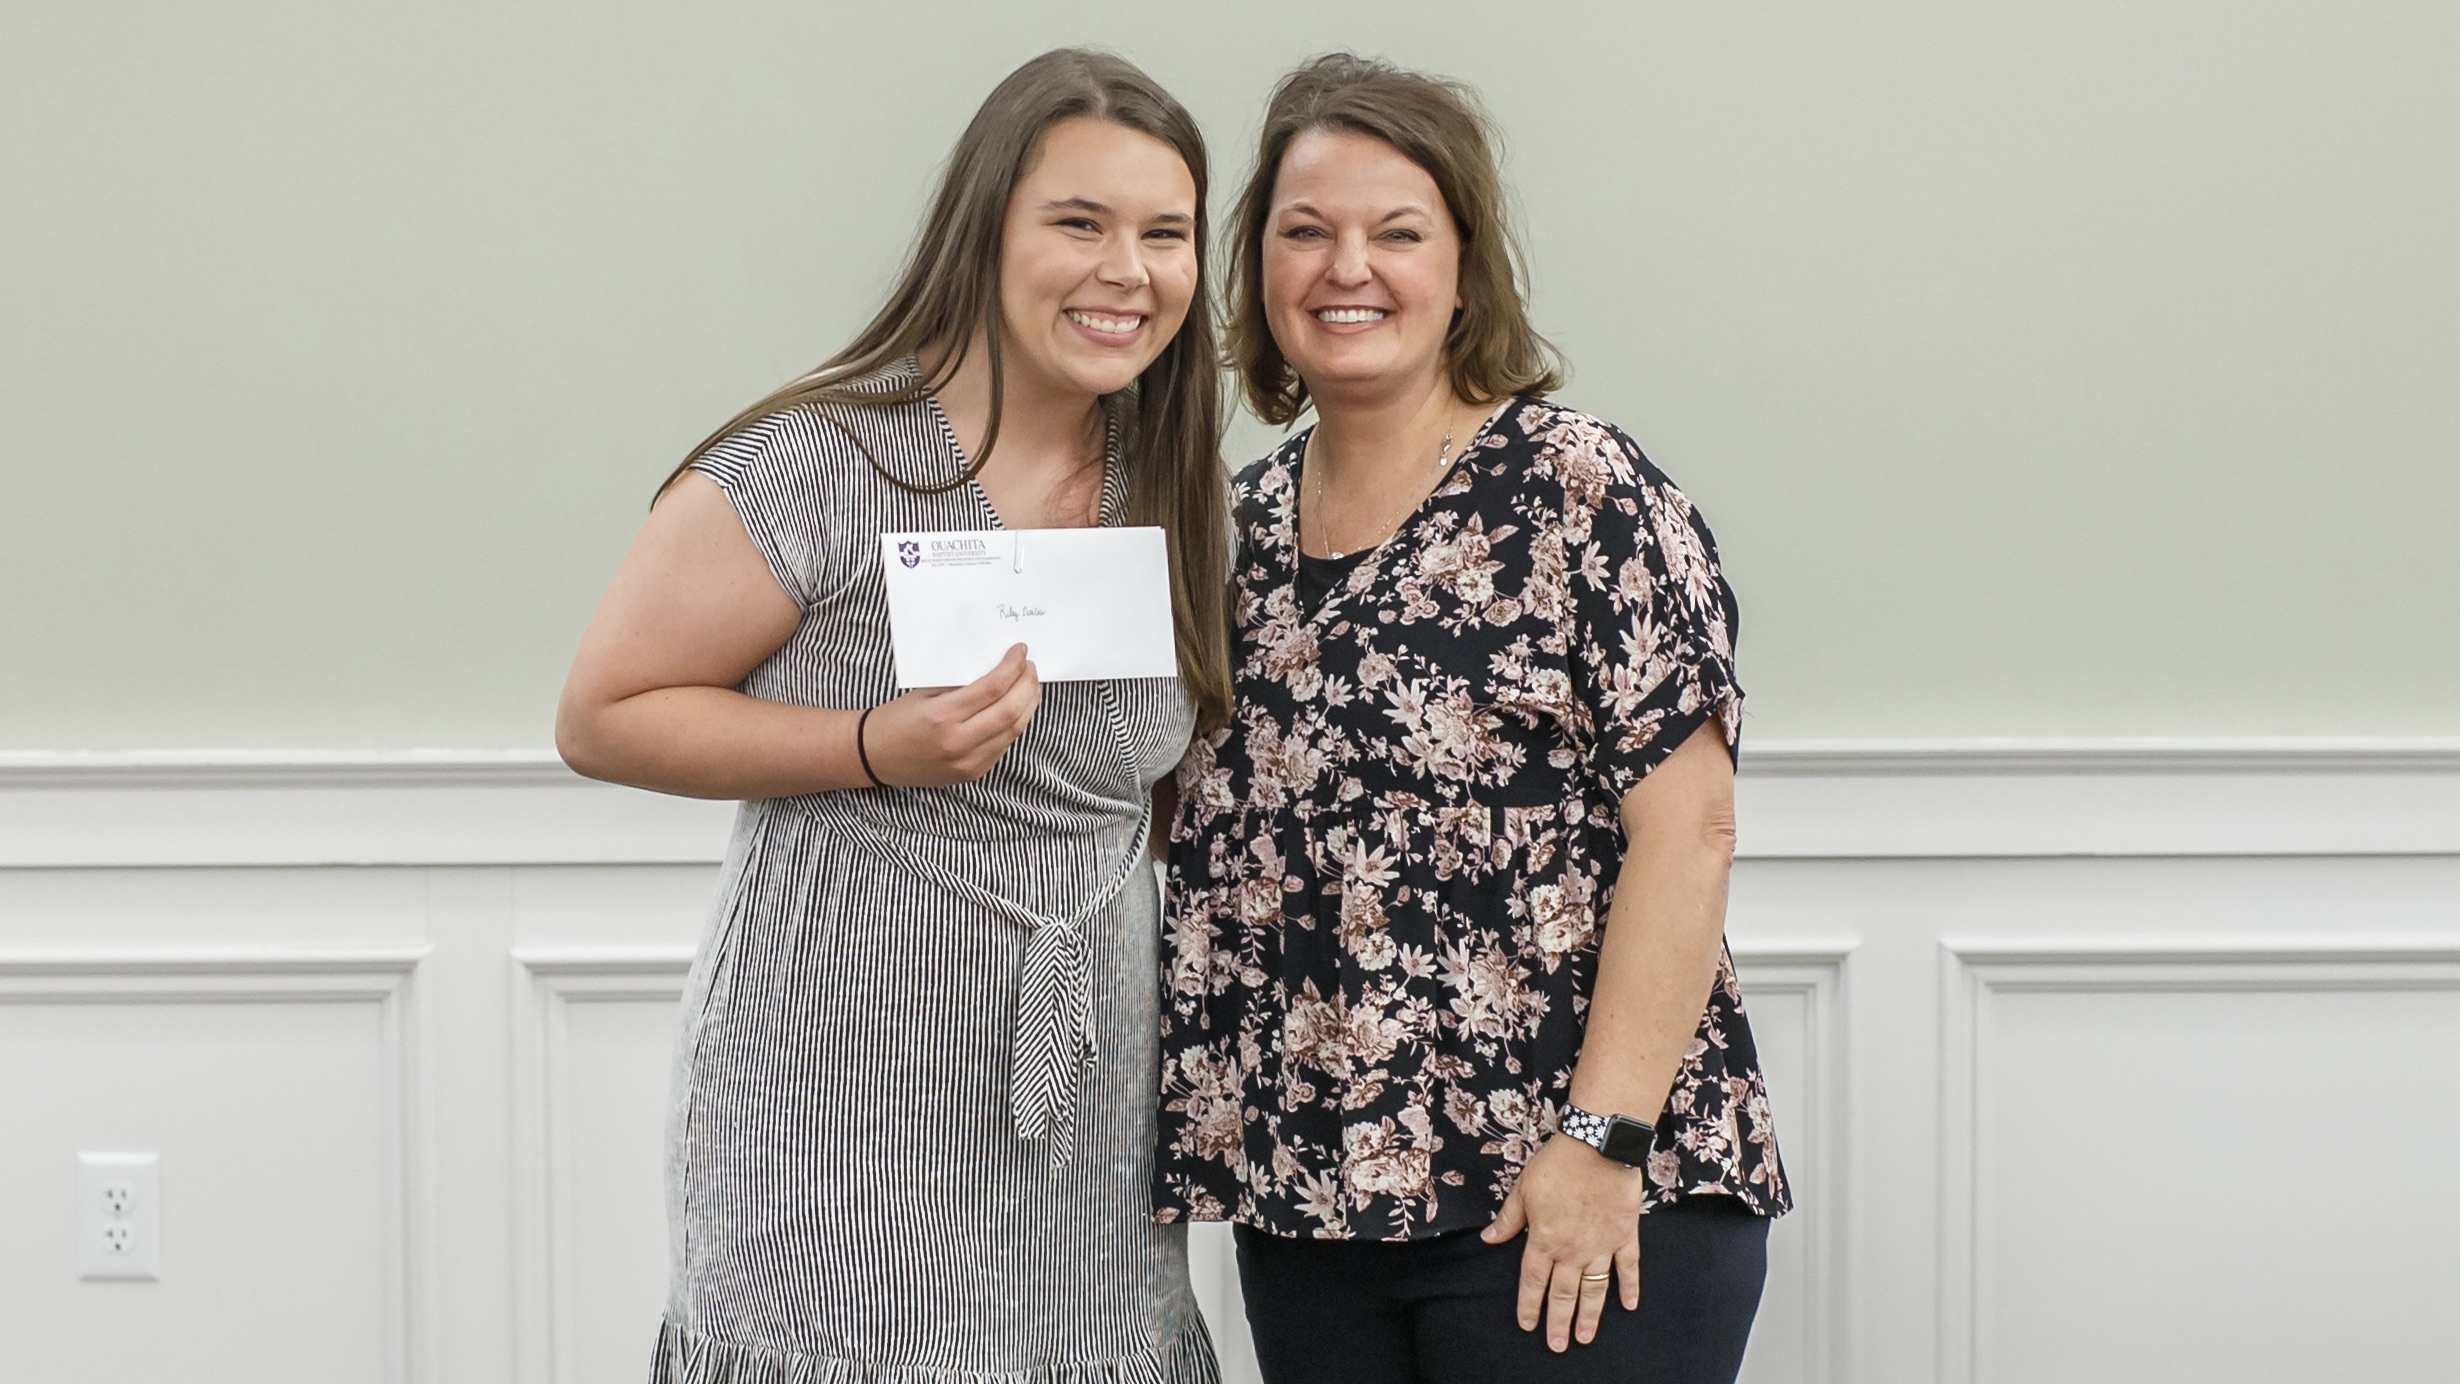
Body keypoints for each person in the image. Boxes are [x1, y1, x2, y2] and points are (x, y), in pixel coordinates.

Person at [555, 48, 1229, 1383]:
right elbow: (604, 714)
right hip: (834, 1087)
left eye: (1165, 234)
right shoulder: (821, 458)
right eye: (1080, 223)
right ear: (985, 233)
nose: (1128, 270)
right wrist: (871, 747)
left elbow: (1166, 784)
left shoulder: (1172, 482)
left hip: (1082, 1100)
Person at [1154, 54, 1789, 1383]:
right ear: (1257, 266)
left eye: (1398, 233)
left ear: (1462, 268)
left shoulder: (1580, 494)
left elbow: (1692, 835)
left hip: (1574, 1195)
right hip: (1312, 1212)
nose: (1349, 268)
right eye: (1307, 230)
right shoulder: (1231, 535)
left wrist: (1600, 1143)